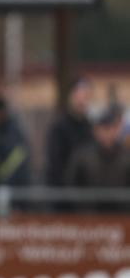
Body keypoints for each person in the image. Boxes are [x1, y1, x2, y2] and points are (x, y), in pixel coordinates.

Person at [65, 104, 130, 213]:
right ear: (95, 130)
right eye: (102, 128)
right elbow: (71, 185)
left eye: (110, 127)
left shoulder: (127, 157)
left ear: (117, 128)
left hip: (122, 220)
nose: (106, 133)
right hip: (90, 221)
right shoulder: (82, 156)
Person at [45, 77, 95, 210]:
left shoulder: (90, 128)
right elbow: (55, 164)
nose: (82, 100)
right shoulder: (59, 128)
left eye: (86, 96)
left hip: (86, 201)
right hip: (63, 199)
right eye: (79, 95)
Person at [0, 96, 33, 210]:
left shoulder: (11, 134)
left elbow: (16, 163)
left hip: (11, 194)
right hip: (3, 191)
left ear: (0, 112)